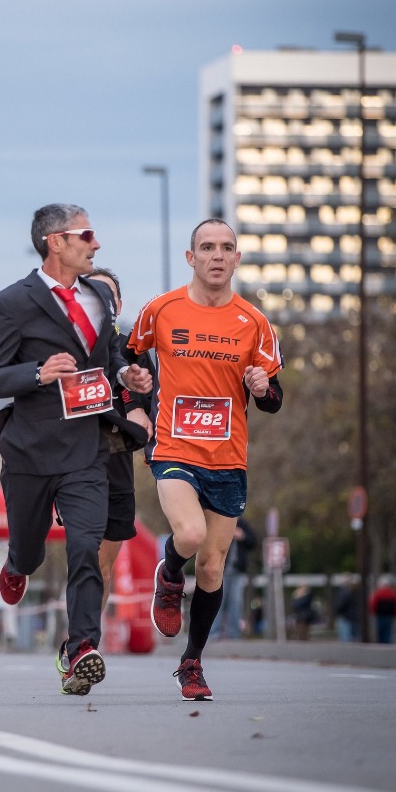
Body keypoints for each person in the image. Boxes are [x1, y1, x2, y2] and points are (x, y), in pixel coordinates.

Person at [0, 204, 152, 696]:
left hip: (86, 448)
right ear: (55, 242)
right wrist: (36, 373)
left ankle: (80, 647)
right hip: (32, 452)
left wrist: (126, 374)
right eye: (87, 235)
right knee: (31, 552)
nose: (96, 245)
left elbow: (109, 354)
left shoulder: (99, 295)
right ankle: (17, 564)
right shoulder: (9, 303)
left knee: (85, 547)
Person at [127, 218, 284, 701]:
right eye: (207, 247)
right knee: (190, 535)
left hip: (228, 457)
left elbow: (275, 397)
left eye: (227, 248)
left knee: (213, 568)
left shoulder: (254, 322)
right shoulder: (161, 310)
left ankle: (192, 662)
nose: (218, 255)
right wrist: (133, 386)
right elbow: (126, 353)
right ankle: (168, 573)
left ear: (237, 259)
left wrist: (263, 389)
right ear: (190, 258)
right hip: (174, 447)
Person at [86, 267, 153, 611]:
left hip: (117, 466)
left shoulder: (131, 349)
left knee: (102, 566)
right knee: (86, 561)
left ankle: (84, 640)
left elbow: (146, 401)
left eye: (107, 294)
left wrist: (138, 410)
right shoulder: (69, 348)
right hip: (78, 465)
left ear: (119, 303)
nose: (99, 299)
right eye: (91, 292)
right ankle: (82, 641)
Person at [209, 517, 257, 640]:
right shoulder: (218, 522)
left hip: (237, 571)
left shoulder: (242, 524)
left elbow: (253, 542)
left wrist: (243, 536)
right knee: (217, 601)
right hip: (220, 570)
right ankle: (214, 633)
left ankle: (234, 635)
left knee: (236, 603)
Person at [369, 576, 396, 644]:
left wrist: (374, 612)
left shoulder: (377, 593)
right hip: (390, 615)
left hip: (379, 615)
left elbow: (373, 604)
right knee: (388, 631)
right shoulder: (393, 593)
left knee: (380, 631)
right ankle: (387, 644)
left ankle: (380, 643)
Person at [333, 574, 360, 642]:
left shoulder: (344, 592)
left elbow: (340, 604)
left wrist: (337, 610)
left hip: (345, 616)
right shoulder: (354, 591)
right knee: (353, 636)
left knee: (345, 638)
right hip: (353, 616)